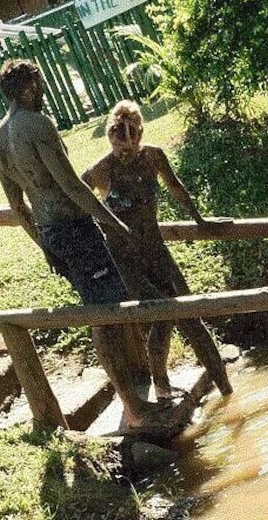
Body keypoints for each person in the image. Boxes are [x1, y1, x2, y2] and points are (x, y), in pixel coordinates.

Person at [0, 59, 170, 429]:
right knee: (102, 316)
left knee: (104, 309)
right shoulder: (37, 124)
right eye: (40, 85)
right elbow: (71, 185)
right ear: (30, 87)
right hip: (74, 226)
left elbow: (17, 206)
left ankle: (134, 396)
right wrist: (115, 223)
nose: (43, 92)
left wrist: (44, 245)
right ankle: (133, 408)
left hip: (50, 231)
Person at [82, 100, 233, 400]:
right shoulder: (101, 170)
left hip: (155, 249)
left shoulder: (153, 157)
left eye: (132, 143)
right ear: (110, 137)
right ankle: (160, 384)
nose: (126, 152)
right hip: (125, 259)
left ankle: (228, 391)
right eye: (119, 145)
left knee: (190, 315)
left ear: (140, 134)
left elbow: (175, 188)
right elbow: (76, 200)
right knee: (162, 312)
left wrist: (200, 220)